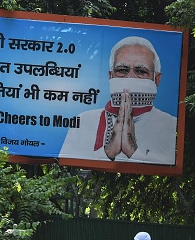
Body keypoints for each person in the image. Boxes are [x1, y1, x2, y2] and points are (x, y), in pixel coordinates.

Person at [59, 36, 177, 165]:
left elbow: (169, 166)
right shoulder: (83, 122)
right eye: (122, 70)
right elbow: (68, 167)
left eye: (141, 71)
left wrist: (133, 151)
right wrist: (107, 152)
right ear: (110, 76)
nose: (131, 78)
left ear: (157, 79)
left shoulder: (171, 126)